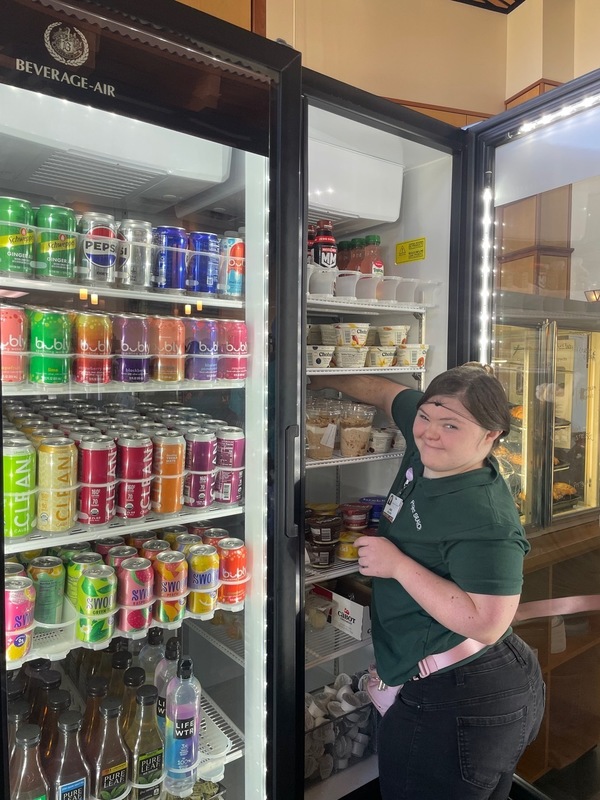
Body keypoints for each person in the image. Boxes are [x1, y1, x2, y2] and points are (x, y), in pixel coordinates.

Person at [309, 365, 545, 800]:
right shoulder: (428, 451)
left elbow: (487, 622)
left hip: (463, 696)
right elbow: (382, 392)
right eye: (427, 417)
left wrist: (396, 565)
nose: (430, 433)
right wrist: (317, 379)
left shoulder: (482, 513)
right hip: (460, 685)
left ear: (491, 435)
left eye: (451, 425)